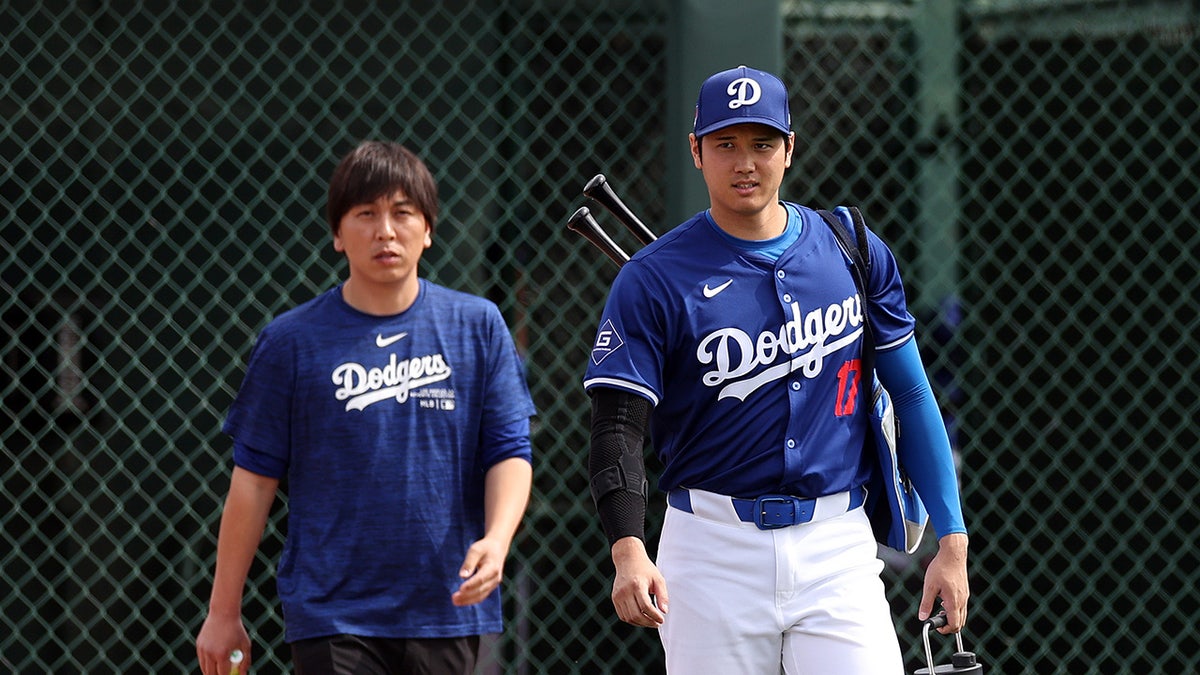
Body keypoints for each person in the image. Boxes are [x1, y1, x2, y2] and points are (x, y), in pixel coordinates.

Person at [583, 65, 969, 674]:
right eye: (725, 144)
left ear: (789, 149)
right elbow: (617, 428)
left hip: (835, 544)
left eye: (762, 144)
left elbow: (914, 395)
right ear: (696, 152)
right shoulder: (652, 277)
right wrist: (627, 545)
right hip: (710, 548)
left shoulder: (853, 248)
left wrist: (952, 539)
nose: (745, 162)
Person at [195, 140, 536, 675]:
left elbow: (510, 451)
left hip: (447, 606)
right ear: (337, 234)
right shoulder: (291, 343)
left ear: (428, 229)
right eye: (365, 214)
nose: (385, 231)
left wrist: (497, 540)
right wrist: (223, 611)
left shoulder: (478, 327)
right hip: (333, 612)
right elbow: (254, 480)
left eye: (403, 213)